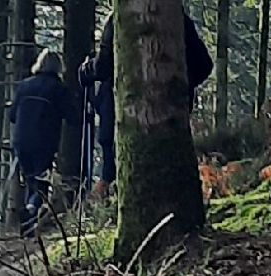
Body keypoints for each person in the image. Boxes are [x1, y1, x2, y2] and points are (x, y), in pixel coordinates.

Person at [80, 13, 214, 198]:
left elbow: (104, 65)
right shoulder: (176, 16)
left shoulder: (120, 18)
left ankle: (112, 199)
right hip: (173, 115)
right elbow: (204, 65)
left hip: (125, 115)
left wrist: (89, 69)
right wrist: (179, 86)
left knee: (116, 162)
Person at [11, 49, 70, 237]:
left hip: (21, 140)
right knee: (41, 183)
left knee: (30, 180)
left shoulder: (24, 85)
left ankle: (28, 222)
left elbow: (12, 115)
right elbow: (72, 116)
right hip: (44, 142)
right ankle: (31, 212)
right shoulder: (58, 88)